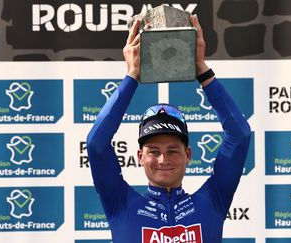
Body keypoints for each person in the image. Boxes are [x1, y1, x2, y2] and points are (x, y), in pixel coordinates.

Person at [86, 14, 251, 243]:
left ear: (188, 155)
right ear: (140, 157)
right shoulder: (120, 203)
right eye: (154, 151)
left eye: (172, 150)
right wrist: (132, 75)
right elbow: (96, 144)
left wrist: (202, 70)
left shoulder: (213, 200)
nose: (163, 159)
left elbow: (240, 135)